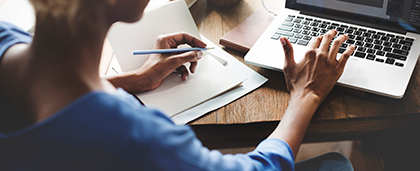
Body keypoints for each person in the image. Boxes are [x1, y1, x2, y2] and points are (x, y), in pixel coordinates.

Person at [0, 0, 355, 170]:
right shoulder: (137, 139)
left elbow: (52, 95)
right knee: (337, 165)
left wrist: (133, 80)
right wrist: (306, 94)